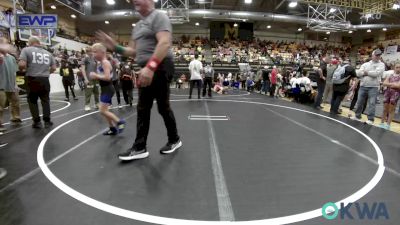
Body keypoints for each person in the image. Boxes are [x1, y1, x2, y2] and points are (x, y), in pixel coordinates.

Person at [96, 0, 182, 161]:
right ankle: (141, 146)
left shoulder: (159, 17)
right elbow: (132, 51)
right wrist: (115, 47)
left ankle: (172, 140)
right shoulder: (137, 26)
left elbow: (164, 43)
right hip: (147, 67)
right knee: (144, 107)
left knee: (161, 107)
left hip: (161, 65)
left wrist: (150, 67)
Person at [19, 36, 56, 129]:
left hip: (32, 78)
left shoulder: (26, 50)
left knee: (32, 101)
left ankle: (37, 122)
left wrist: (21, 69)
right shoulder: (48, 53)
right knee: (45, 100)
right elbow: (54, 68)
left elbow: (22, 65)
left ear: (30, 42)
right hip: (45, 79)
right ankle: (47, 121)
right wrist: (47, 73)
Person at [89, 43, 126, 135]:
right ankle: (112, 128)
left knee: (102, 110)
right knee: (105, 111)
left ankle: (119, 121)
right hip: (105, 88)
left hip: (108, 88)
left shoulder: (105, 62)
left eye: (94, 52)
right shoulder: (100, 63)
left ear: (102, 52)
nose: (92, 54)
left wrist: (95, 75)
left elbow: (107, 77)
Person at [351, 49, 385, 125]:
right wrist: (368, 73)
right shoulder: (366, 64)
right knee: (359, 102)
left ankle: (370, 119)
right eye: (376, 55)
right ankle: (357, 116)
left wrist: (366, 72)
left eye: (379, 55)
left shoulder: (381, 64)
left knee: (372, 103)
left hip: (374, 87)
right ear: (372, 55)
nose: (377, 57)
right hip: (363, 85)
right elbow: (358, 73)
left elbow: (377, 74)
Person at [0, 37, 21, 132]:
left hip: (11, 84)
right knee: (0, 106)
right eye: (6, 44)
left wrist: (16, 84)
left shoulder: (12, 58)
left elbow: (14, 72)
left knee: (15, 102)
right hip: (1, 85)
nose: (9, 46)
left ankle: (15, 117)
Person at [379, 63, 400, 130]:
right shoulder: (390, 75)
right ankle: (382, 122)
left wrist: (389, 84)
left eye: (399, 67)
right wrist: (392, 84)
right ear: (394, 68)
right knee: (385, 108)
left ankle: (388, 124)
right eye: (397, 67)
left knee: (391, 109)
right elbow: (384, 83)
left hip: (395, 94)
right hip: (387, 93)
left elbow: (398, 86)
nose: (398, 69)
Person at [81, 47, 100, 111]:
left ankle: (97, 103)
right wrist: (85, 79)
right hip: (89, 79)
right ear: (87, 52)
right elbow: (83, 69)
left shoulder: (95, 59)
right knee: (88, 92)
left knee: (96, 92)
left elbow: (96, 69)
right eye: (90, 51)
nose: (91, 52)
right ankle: (87, 105)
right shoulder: (85, 59)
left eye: (92, 51)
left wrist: (98, 76)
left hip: (95, 79)